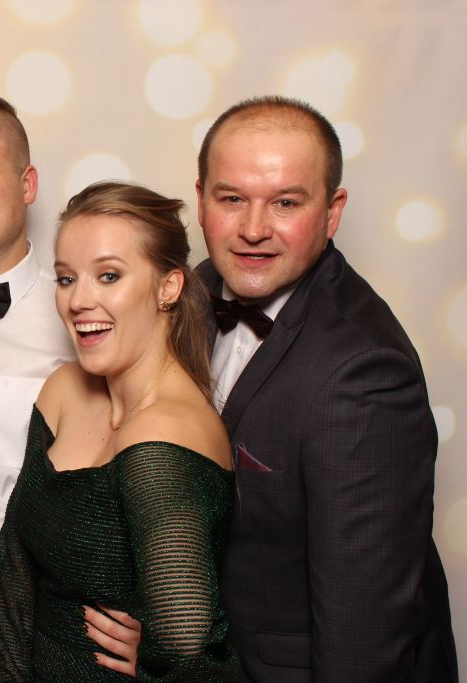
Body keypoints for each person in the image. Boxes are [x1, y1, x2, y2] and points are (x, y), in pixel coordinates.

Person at [194, 96, 458, 680]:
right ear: (201, 199)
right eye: (231, 199)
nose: (253, 229)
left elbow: (363, 637)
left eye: (286, 203)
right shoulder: (194, 290)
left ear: (333, 212)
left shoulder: (365, 374)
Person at [0, 93, 146, 680]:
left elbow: (145, 460)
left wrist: (157, 613)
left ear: (28, 183)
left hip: (37, 636)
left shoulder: (84, 315)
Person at [0, 181, 239, 681]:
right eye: (66, 278)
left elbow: (191, 650)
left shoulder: (165, 434)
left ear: (168, 287)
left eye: (109, 276)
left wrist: (157, 666)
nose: (79, 300)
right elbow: (14, 568)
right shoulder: (63, 390)